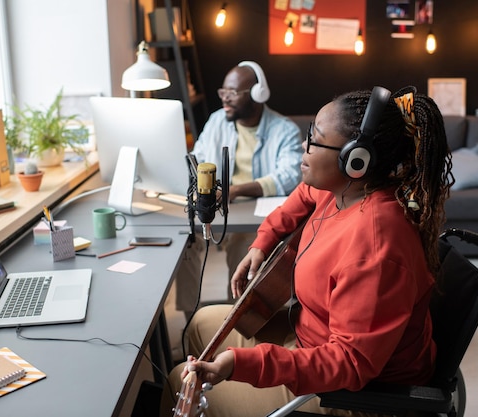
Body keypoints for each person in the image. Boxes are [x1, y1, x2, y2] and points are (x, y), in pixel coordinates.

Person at [161, 85, 454, 417]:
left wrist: (240, 364)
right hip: (307, 338)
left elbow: (349, 363)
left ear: (355, 160)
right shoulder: (342, 190)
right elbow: (302, 197)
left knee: (176, 381)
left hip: (350, 393)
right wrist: (262, 242)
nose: (304, 145)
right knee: (200, 323)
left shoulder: (375, 245)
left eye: (314, 139)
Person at [174, 61, 303, 315]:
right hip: (216, 205)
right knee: (185, 243)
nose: (225, 99)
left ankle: (232, 318)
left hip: (250, 217)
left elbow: (289, 175)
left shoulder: (284, 130)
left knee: (244, 247)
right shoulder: (217, 121)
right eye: (223, 92)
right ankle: (191, 317)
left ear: (257, 94)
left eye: (232, 93)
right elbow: (197, 156)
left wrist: (234, 190)